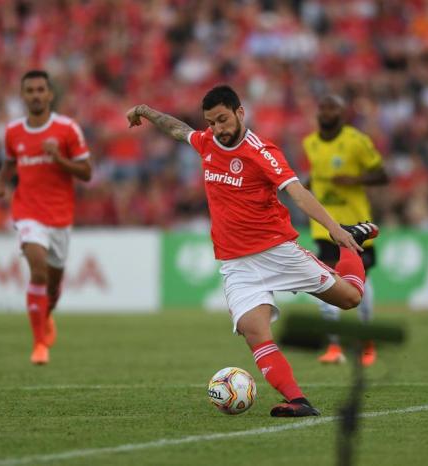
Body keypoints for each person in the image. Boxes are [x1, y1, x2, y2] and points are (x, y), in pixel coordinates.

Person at [126, 85, 378, 417]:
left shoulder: (261, 151)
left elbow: (298, 192)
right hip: (236, 264)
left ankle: (351, 245)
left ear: (240, 113)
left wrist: (334, 230)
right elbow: (179, 129)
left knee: (350, 300)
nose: (218, 129)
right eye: (211, 122)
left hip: (277, 251)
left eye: (223, 120)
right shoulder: (207, 143)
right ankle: (298, 401)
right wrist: (146, 110)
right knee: (253, 331)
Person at [0, 70, 92, 365]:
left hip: (60, 217)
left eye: (40, 90)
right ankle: (39, 345)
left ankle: (45, 315)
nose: (35, 95)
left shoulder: (67, 129)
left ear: (49, 94)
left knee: (52, 286)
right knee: (37, 268)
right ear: (23, 96)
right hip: (27, 212)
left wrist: (59, 158)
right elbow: (10, 160)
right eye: (30, 90)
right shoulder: (13, 131)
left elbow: (87, 172)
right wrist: (0, 181)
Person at [303, 95, 389, 366]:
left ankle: (366, 342)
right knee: (326, 280)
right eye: (323, 108)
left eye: (333, 108)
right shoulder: (310, 143)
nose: (327, 112)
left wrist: (355, 179)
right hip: (324, 227)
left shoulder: (356, 141)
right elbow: (315, 175)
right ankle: (333, 346)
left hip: (357, 225)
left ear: (342, 112)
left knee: (361, 283)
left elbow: (382, 174)